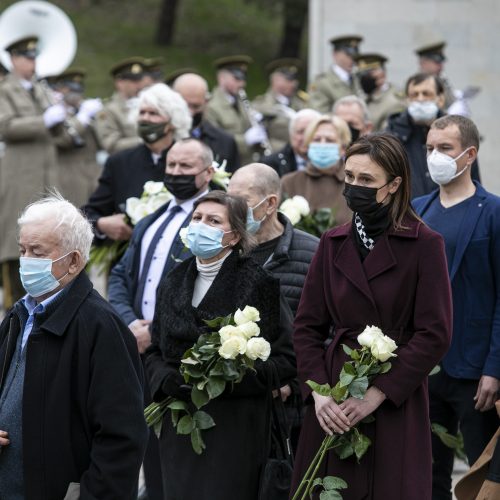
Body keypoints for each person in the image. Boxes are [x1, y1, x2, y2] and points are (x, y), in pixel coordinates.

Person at [291, 133, 453, 499]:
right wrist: (318, 393)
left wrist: (379, 393)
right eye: (349, 177)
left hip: (395, 396)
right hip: (333, 399)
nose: (354, 187)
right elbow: (306, 326)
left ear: (394, 185)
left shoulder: (425, 245)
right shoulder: (332, 242)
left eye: (366, 180)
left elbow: (434, 333)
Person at [145, 190, 296, 499]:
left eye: (213, 220)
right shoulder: (174, 279)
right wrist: (167, 379)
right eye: (197, 218)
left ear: (235, 235)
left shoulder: (258, 283)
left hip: (236, 429)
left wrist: (228, 379)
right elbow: (154, 350)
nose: (201, 225)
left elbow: (286, 359)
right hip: (182, 424)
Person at [0, 193, 148, 499]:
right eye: (23, 250)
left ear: (74, 261)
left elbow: (121, 437)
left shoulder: (101, 327)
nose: (25, 261)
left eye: (38, 253)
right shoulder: (18, 316)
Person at [107, 137, 213, 500]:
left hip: (176, 355)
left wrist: (157, 330)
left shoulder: (210, 226)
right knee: (144, 445)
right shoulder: (152, 219)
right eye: (171, 166)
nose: (177, 173)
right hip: (137, 346)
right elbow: (121, 275)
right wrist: (129, 322)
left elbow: (207, 287)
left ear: (209, 172)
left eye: (186, 167)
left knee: (177, 456)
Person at [412, 115, 500, 500]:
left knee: (483, 476)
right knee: (426, 473)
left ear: (469, 154)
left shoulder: (493, 211)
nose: (435, 156)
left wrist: (494, 369)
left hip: (475, 370)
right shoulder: (416, 209)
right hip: (424, 367)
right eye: (430, 148)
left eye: (445, 148)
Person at [228, 163, 319, 450]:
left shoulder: (311, 253)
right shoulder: (224, 250)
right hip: (233, 402)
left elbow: (324, 329)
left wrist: (294, 384)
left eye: (240, 201)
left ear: (270, 204)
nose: (231, 210)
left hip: (287, 407)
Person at [0, 36, 67, 309]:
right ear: (14, 60)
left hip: (46, 177)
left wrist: (62, 116)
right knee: (16, 245)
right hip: (19, 176)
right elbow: (6, 126)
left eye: (34, 57)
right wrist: (44, 120)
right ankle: (14, 310)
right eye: (27, 57)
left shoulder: (41, 90)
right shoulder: (5, 90)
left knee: (47, 243)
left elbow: (59, 134)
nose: (32, 62)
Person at [83, 82, 191, 242]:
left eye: (154, 113)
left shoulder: (190, 160)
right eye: (142, 112)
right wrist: (103, 224)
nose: (146, 118)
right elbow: (90, 212)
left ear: (172, 122)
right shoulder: (119, 162)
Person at [386, 73, 480, 199]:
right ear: (407, 100)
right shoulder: (391, 137)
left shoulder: (459, 133)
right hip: (407, 215)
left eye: (426, 94)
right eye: (414, 95)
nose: (420, 99)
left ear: (440, 99)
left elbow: (473, 182)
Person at [46, 67, 103, 207]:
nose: (76, 94)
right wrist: (81, 119)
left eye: (78, 89)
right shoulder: (54, 113)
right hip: (69, 178)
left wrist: (99, 118)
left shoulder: (87, 110)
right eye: (70, 89)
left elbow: (104, 143)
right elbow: (64, 141)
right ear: (60, 89)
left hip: (94, 175)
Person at [281, 114, 352, 224]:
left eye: (329, 140)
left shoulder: (354, 182)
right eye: (317, 139)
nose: (322, 144)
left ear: (343, 147)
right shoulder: (289, 182)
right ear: (308, 144)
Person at [205, 55, 268, 164]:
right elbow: (215, 142)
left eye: (243, 79)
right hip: (227, 164)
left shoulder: (243, 102)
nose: (242, 84)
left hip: (248, 163)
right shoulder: (211, 107)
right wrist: (245, 141)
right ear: (221, 78)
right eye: (237, 78)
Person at [173, 72, 240, 171]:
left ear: (206, 102)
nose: (190, 113)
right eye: (185, 106)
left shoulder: (224, 142)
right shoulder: (163, 139)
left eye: (196, 106)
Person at [252, 58, 308, 152]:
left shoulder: (302, 103)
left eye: (294, 80)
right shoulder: (260, 104)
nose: (294, 84)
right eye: (288, 80)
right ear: (275, 80)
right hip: (273, 154)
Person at [94, 57, 146, 155]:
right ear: (120, 83)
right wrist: (145, 141)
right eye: (134, 81)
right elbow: (110, 145)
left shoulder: (145, 104)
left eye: (140, 81)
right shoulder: (108, 110)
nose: (139, 85)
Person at [308, 35, 363, 113]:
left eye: (355, 56)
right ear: (335, 54)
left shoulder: (357, 79)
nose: (352, 59)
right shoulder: (322, 82)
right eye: (348, 55)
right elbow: (318, 113)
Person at [261, 108, 321, 177]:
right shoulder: (270, 165)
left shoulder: (331, 163)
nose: (306, 137)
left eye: (310, 132)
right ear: (291, 135)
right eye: (301, 132)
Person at [354, 53, 405, 131]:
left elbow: (386, 137)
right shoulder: (365, 98)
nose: (362, 80)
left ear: (381, 75)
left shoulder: (394, 102)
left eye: (366, 75)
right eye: (360, 76)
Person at [415, 42, 456, 110]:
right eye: (437, 62)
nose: (441, 66)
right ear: (423, 63)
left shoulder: (442, 81)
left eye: (441, 62)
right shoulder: (414, 84)